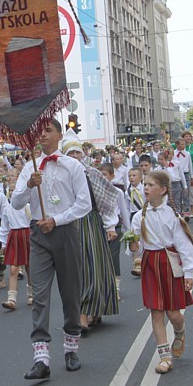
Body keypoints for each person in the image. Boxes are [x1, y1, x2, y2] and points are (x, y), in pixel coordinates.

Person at [11, 119, 92, 380]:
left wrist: (56, 220)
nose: (43, 135)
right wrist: (28, 186)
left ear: (59, 134)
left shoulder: (72, 165)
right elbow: (15, 203)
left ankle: (71, 349)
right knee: (40, 295)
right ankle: (41, 357)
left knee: (70, 293)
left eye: (48, 130)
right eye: (40, 131)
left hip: (65, 232)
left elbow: (84, 204)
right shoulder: (29, 168)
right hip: (38, 235)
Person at [127, 170, 193, 374]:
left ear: (163, 190)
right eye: (145, 184)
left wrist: (189, 273)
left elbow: (184, 246)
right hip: (151, 264)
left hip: (169, 264)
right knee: (156, 311)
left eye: (150, 185)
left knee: (173, 313)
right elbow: (138, 245)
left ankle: (179, 330)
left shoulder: (172, 217)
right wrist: (133, 247)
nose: (146, 188)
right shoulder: (138, 217)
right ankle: (164, 357)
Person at [62, 129, 119, 332]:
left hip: (91, 224)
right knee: (77, 271)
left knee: (96, 269)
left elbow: (108, 201)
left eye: (77, 153)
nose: (75, 157)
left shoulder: (92, 173)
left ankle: (94, 311)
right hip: (70, 224)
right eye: (71, 153)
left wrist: (110, 225)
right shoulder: (59, 177)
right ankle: (81, 316)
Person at [0, 167, 32, 310]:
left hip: (27, 235)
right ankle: (11, 299)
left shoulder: (28, 207)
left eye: (14, 191)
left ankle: (32, 294)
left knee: (30, 267)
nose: (12, 194)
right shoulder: (7, 209)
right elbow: (4, 226)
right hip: (14, 236)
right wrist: (3, 243)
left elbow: (33, 223)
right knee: (13, 268)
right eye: (10, 192)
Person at [98, 163, 131, 301]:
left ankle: (115, 287)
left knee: (113, 256)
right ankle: (103, 287)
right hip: (100, 227)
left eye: (105, 174)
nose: (102, 177)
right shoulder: (95, 192)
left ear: (112, 176)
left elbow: (123, 211)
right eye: (100, 175)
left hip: (115, 227)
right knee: (101, 258)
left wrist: (129, 232)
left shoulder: (118, 192)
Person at [126, 167, 145, 277]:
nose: (131, 178)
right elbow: (127, 207)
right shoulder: (127, 192)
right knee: (135, 239)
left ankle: (144, 261)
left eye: (134, 175)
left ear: (141, 177)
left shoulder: (144, 189)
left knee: (145, 238)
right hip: (134, 216)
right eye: (130, 176)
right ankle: (137, 264)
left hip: (144, 215)